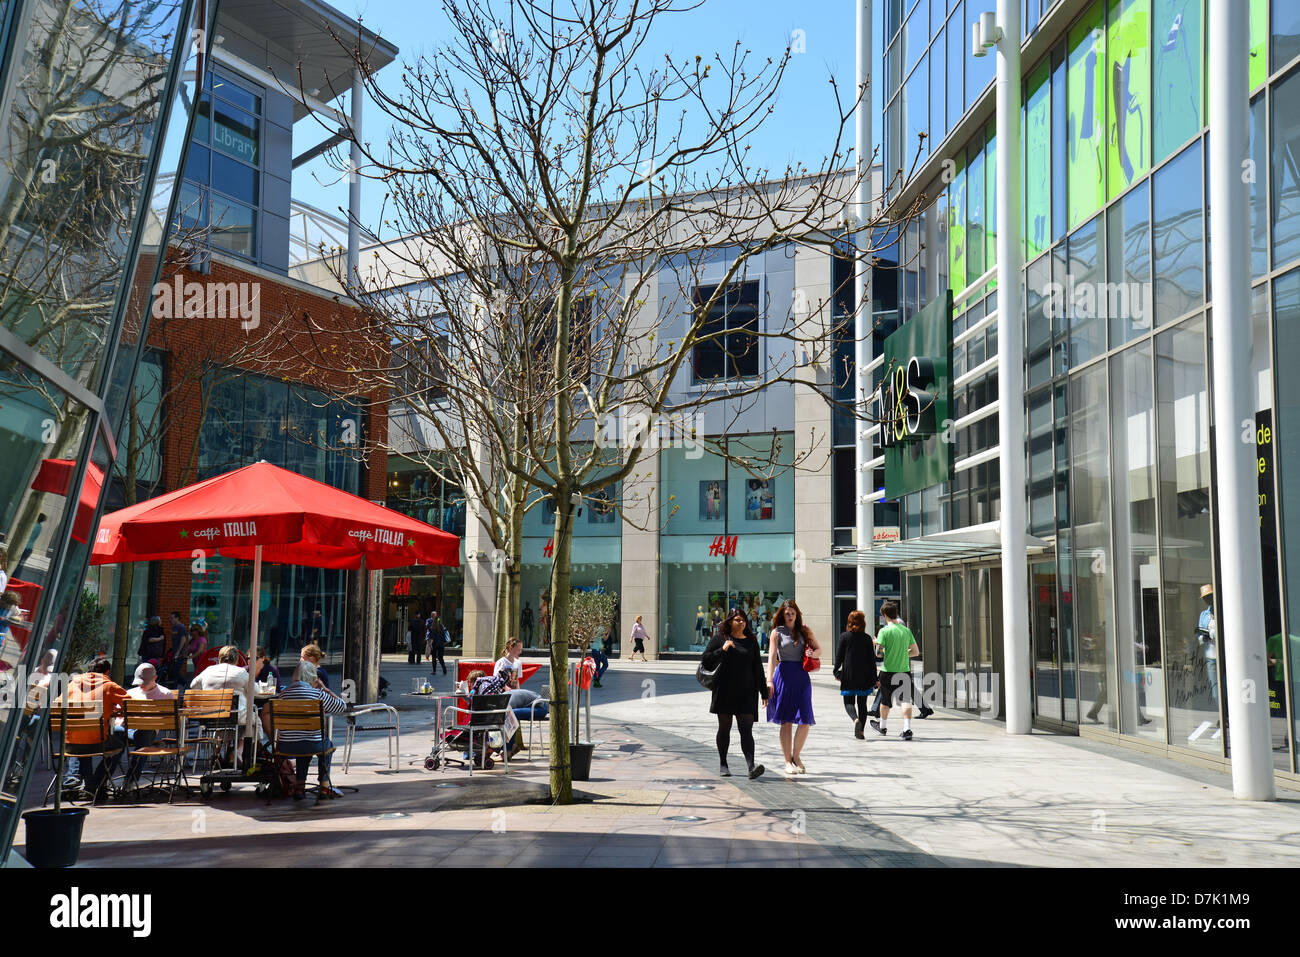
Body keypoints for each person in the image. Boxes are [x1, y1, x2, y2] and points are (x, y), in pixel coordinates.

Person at [702, 607, 768, 779]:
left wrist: (764, 692)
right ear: (730, 621)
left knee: (746, 729)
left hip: (747, 692)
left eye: (743, 619)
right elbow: (706, 660)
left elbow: (758, 668)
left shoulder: (751, 641)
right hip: (724, 691)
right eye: (738, 619)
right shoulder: (720, 639)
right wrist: (722, 649)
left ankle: (751, 766)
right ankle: (723, 763)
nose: (741, 622)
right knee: (725, 728)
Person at [268, 660, 347, 800]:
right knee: (323, 744)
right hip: (313, 744)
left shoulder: (283, 695)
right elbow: (342, 707)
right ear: (313, 677)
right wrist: (326, 689)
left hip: (286, 746)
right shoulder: (318, 694)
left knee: (302, 743)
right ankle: (324, 786)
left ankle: (300, 786)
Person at [60, 658, 129, 797]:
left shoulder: (72, 684)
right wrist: (114, 710)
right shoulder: (109, 686)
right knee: (119, 745)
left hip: (69, 743)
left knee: (80, 742)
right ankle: (96, 784)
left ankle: (76, 783)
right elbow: (131, 705)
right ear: (107, 672)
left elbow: (58, 706)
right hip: (97, 742)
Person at [766, 599, 818, 774]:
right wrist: (769, 680)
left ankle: (796, 755)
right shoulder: (776, 632)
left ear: (797, 614)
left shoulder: (804, 630)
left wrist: (813, 652)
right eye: (787, 614)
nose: (790, 616)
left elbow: (819, 649)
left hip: (801, 677)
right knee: (786, 720)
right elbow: (772, 656)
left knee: (805, 719)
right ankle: (787, 760)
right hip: (784, 676)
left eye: (792, 613)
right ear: (782, 615)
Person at [116, 663, 176, 789]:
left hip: (147, 730)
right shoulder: (129, 693)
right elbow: (117, 717)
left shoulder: (165, 694)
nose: (141, 685)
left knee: (145, 733)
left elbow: (166, 720)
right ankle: (102, 780)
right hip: (128, 729)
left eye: (144, 682)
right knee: (115, 734)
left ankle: (130, 781)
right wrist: (120, 721)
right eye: (139, 682)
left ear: (155, 678)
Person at [871, 601, 920, 740]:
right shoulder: (906, 631)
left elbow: (878, 654)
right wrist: (903, 654)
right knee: (905, 700)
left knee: (885, 701)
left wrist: (878, 645)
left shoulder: (884, 631)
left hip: (888, 671)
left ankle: (883, 726)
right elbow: (915, 652)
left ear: (885, 615)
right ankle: (907, 728)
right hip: (904, 670)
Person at [835, 609, 880, 739]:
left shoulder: (844, 637)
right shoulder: (867, 638)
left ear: (849, 622)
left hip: (848, 674)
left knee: (848, 702)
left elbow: (839, 657)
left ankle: (855, 720)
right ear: (863, 623)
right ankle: (861, 732)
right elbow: (872, 661)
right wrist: (874, 678)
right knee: (862, 704)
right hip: (864, 676)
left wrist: (836, 671)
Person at [191, 645, 251, 728]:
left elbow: (193, 686)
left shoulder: (208, 670)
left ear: (219, 658)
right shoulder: (241, 672)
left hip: (209, 717)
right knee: (256, 721)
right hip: (235, 717)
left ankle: (232, 739)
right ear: (237, 660)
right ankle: (244, 741)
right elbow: (255, 691)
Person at [1196, 583, 1219, 719]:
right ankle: (1223, 715)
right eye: (1205, 598)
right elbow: (1199, 633)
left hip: (1224, 655)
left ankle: (1229, 714)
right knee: (1215, 689)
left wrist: (1211, 633)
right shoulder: (1204, 615)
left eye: (1209, 596)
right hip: (1211, 655)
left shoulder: (1223, 611)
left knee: (1227, 687)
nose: (1207, 600)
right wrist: (1202, 636)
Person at [13, 513, 45, 578]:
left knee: (16, 563)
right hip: (30, 548)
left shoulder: (33, 526)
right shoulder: (39, 527)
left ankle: (13, 577)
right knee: (21, 564)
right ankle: (16, 578)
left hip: (25, 547)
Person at [166, 611, 188, 685]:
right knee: (173, 670)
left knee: (176, 670)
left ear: (177, 618)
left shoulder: (181, 627)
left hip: (180, 653)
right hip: (174, 652)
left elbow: (183, 639)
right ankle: (176, 685)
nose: (170, 620)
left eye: (172, 618)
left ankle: (185, 683)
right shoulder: (173, 627)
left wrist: (178, 651)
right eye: (170, 618)